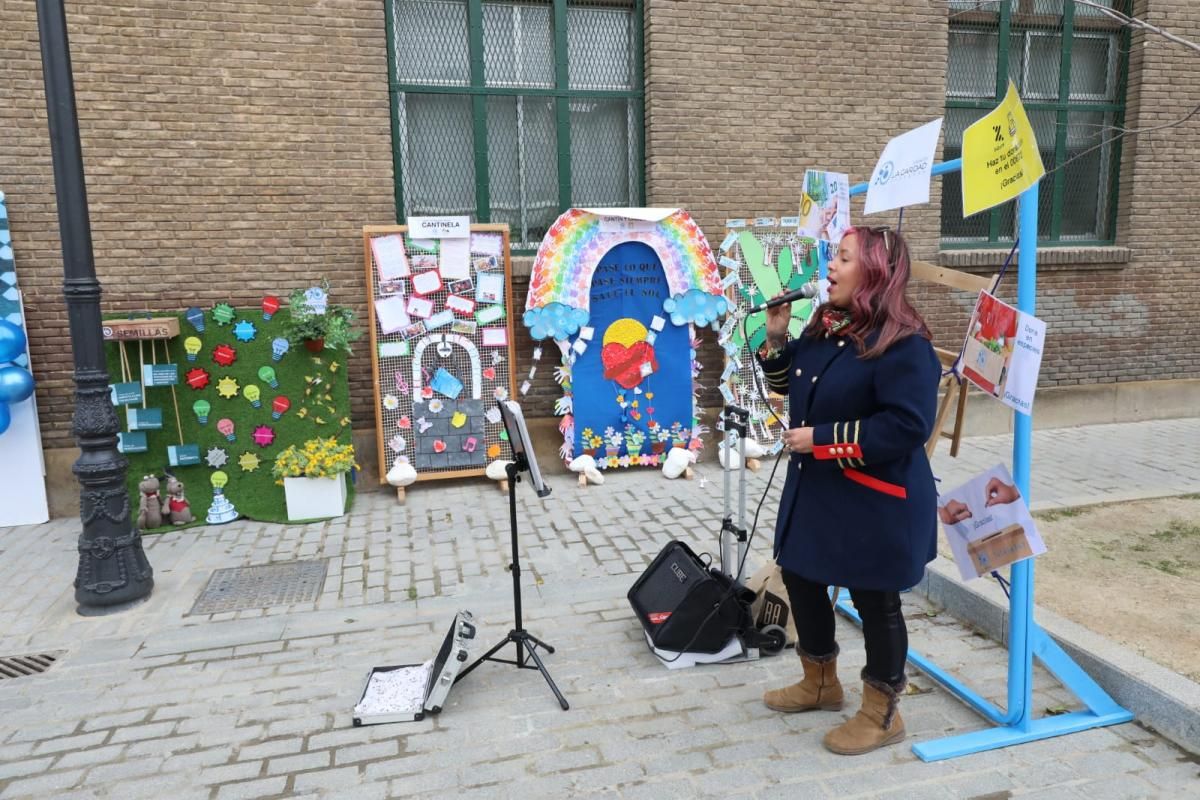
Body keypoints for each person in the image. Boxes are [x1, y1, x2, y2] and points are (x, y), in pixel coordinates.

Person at [756, 225, 940, 755]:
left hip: (874, 497)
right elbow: (799, 390)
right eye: (833, 256)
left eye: (842, 258)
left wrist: (822, 439)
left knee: (874, 599)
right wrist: (775, 338)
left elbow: (907, 427)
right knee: (801, 573)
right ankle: (820, 683)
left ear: (875, 271)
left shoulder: (904, 344)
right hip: (821, 490)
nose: (829, 267)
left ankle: (883, 715)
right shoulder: (827, 327)